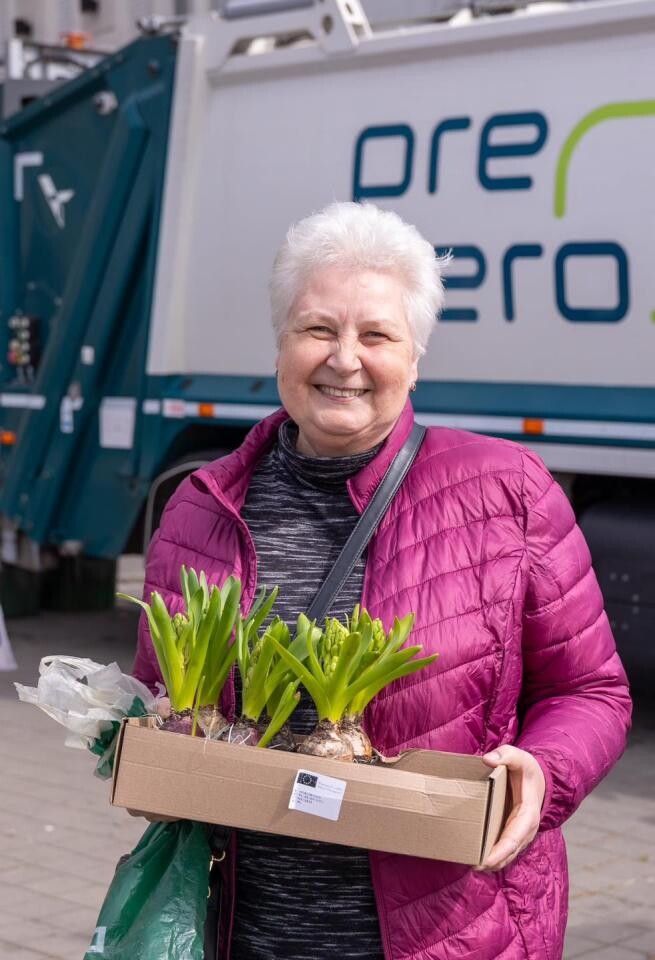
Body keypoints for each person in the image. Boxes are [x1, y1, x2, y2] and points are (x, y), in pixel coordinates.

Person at [133, 201, 632, 960]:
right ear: (280, 342)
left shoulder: (508, 491)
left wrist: (543, 768)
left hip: (454, 929)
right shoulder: (201, 508)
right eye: (317, 330)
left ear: (414, 354)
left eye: (375, 335)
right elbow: (162, 697)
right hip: (243, 932)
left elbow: (589, 691)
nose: (343, 359)